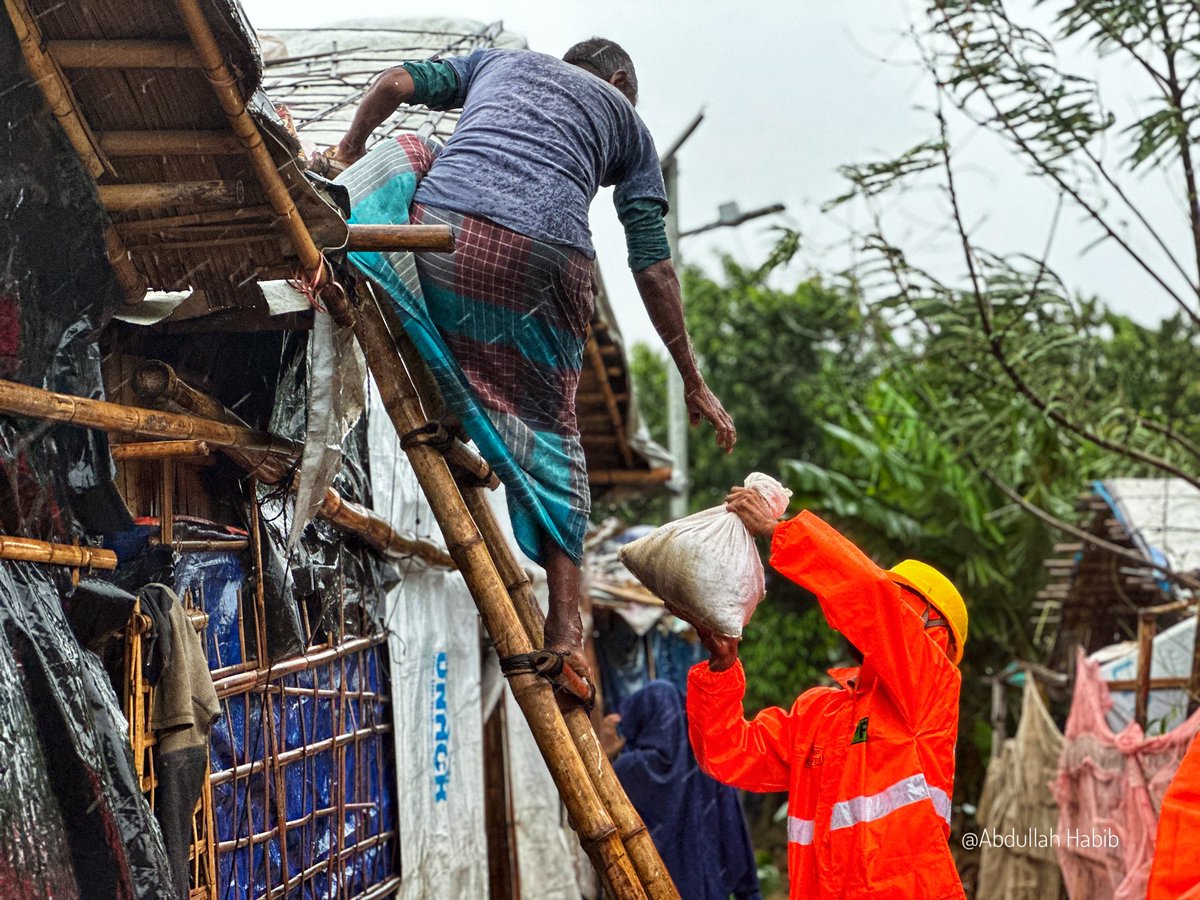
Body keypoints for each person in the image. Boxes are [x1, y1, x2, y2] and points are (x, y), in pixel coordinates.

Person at [332, 40, 734, 677]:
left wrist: (350, 149)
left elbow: (393, 84)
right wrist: (692, 378)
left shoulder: (497, 63)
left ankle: (335, 216)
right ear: (621, 79)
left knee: (412, 150)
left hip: (442, 234)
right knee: (556, 433)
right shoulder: (627, 121)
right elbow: (653, 265)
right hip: (548, 263)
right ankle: (566, 625)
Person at [685, 486, 968, 900]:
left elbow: (869, 598)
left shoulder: (931, 689)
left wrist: (779, 532)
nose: (887, 611)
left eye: (901, 603)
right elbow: (727, 753)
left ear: (934, 632)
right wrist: (723, 667)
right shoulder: (819, 712)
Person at [599, 681, 762, 900]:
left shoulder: (626, 771)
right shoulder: (709, 764)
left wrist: (604, 752)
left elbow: (594, 818)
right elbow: (734, 832)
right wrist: (749, 892)